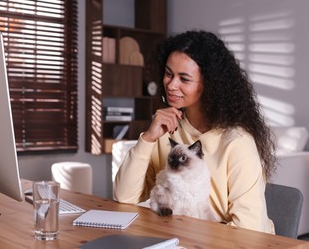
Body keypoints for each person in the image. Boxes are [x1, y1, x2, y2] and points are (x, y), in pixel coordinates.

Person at [114, 29, 276, 234]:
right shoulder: (165, 130)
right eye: (168, 74)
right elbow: (125, 197)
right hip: (182, 238)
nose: (171, 85)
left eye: (184, 79)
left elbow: (249, 230)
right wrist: (148, 138)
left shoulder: (237, 141)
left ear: (209, 84)